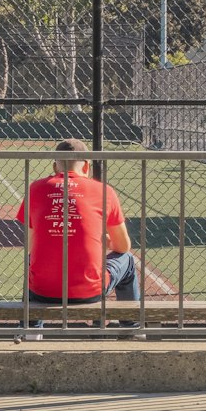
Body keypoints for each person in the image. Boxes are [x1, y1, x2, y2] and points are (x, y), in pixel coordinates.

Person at [16, 139, 141, 333]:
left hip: (42, 291)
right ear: (87, 166)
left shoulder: (36, 188)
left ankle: (30, 330)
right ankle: (131, 329)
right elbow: (123, 247)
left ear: (54, 166)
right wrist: (104, 240)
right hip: (89, 291)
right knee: (128, 261)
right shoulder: (104, 191)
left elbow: (32, 241)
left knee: (31, 260)